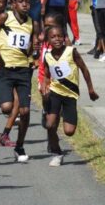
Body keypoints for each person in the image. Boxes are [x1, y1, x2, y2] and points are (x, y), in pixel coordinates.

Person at [41, 25, 99, 166]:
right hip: (55, 93)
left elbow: (84, 69)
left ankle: (59, 116)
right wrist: (44, 88)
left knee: (69, 131)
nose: (57, 39)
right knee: (50, 125)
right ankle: (57, 153)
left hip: (70, 95)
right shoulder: (47, 56)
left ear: (65, 37)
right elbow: (47, 76)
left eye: (60, 36)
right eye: (53, 37)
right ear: (48, 40)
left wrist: (90, 89)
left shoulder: (71, 52)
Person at [0, 0, 34, 163]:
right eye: (21, 1)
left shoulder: (31, 23)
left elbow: (30, 45)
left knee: (25, 111)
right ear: (13, 3)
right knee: (7, 107)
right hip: (5, 69)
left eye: (27, 1)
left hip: (23, 70)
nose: (25, 4)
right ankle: (5, 134)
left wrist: (32, 52)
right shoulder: (5, 18)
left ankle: (20, 145)